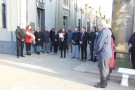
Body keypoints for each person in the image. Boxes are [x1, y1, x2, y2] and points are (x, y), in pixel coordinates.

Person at [94, 19, 112, 88]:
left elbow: (99, 44)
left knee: (103, 70)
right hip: (106, 53)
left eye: (98, 25)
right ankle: (104, 81)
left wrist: (96, 52)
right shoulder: (107, 30)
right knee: (105, 69)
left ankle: (103, 84)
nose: (98, 26)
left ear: (100, 25)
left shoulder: (103, 31)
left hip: (103, 54)